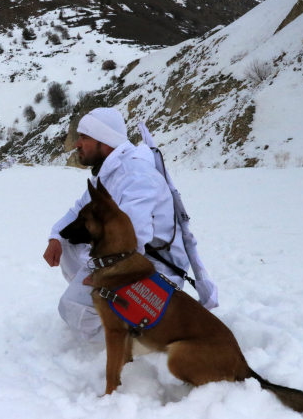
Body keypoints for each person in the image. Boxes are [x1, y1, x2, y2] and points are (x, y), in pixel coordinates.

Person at [43, 107, 209, 342]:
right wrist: (56, 238)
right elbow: (79, 211)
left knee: (74, 310)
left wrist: (100, 273)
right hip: (124, 259)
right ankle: (109, 305)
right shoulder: (109, 172)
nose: (77, 144)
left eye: (85, 137)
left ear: (106, 142)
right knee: (69, 242)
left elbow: (133, 238)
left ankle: (141, 335)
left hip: (150, 269)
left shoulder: (135, 176)